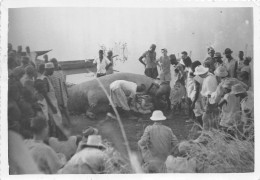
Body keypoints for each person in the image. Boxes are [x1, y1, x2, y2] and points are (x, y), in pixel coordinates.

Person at [38, 62, 69, 140]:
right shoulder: (44, 79)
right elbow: (45, 95)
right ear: (48, 69)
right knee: (57, 121)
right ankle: (58, 138)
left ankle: (56, 137)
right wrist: (52, 107)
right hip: (51, 104)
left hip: (53, 103)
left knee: (56, 122)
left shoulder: (45, 77)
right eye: (52, 70)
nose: (53, 72)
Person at [193, 65, 218, 140]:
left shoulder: (209, 79)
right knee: (210, 120)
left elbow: (210, 94)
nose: (199, 76)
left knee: (205, 119)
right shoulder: (209, 76)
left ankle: (204, 136)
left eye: (199, 74)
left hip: (210, 101)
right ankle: (209, 136)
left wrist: (207, 105)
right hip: (209, 100)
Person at [49, 58, 71, 127]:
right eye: (54, 64)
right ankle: (60, 125)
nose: (55, 65)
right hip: (56, 95)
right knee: (58, 111)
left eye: (56, 64)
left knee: (65, 109)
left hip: (63, 94)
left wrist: (67, 93)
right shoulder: (50, 74)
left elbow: (64, 84)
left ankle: (69, 123)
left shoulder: (61, 72)